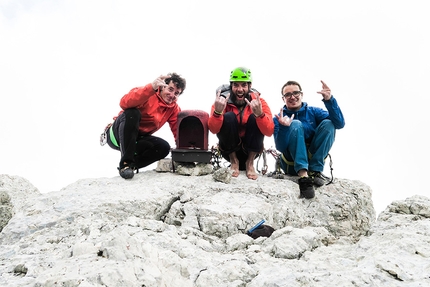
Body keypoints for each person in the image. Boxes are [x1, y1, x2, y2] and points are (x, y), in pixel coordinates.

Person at [105, 73, 186, 179]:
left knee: (163, 147)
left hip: (137, 139)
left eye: (176, 93)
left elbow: (178, 130)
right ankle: (125, 164)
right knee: (132, 113)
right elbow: (124, 103)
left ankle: (132, 166)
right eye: (170, 89)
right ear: (162, 87)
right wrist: (151, 87)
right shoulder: (148, 93)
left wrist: (186, 151)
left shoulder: (173, 108)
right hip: (117, 135)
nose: (172, 95)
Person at [274, 80, 345, 198]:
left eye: (296, 93)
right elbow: (280, 147)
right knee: (295, 124)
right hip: (291, 163)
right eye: (288, 95)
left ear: (301, 95)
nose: (292, 97)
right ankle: (304, 176)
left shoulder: (313, 112)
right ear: (283, 99)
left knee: (329, 124)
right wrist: (283, 128)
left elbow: (339, 124)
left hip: (312, 160)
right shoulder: (279, 118)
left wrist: (329, 100)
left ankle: (315, 171)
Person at [208, 67, 274, 180]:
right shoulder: (221, 101)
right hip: (229, 151)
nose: (240, 89)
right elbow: (213, 129)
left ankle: (250, 163)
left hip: (252, 150)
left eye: (244, 85)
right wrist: (217, 113)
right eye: (236, 85)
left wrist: (260, 115)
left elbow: (269, 131)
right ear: (231, 86)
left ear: (249, 86)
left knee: (255, 117)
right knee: (229, 117)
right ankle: (234, 161)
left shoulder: (259, 102)